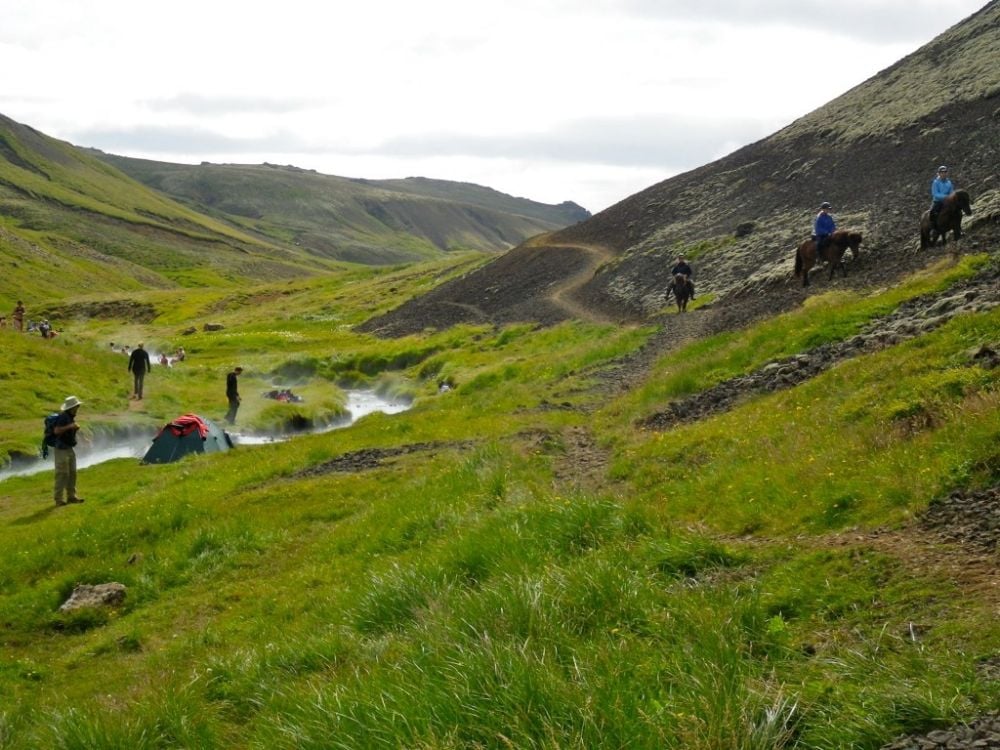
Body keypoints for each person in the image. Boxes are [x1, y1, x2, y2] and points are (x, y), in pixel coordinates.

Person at [52, 396, 85, 506]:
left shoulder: (70, 417)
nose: (78, 408)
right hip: (61, 450)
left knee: (72, 473)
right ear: (72, 407)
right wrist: (70, 426)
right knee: (62, 474)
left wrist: (83, 437)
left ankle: (71, 496)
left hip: (69, 448)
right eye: (77, 406)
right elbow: (56, 431)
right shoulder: (63, 417)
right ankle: (59, 499)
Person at [929, 165, 954, 231]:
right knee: (933, 213)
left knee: (956, 211)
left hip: (947, 201)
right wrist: (946, 197)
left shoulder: (949, 182)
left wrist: (951, 196)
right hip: (938, 201)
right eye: (942, 172)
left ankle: (958, 228)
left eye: (945, 172)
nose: (943, 174)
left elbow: (951, 191)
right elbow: (935, 193)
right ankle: (933, 228)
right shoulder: (935, 182)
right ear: (939, 173)